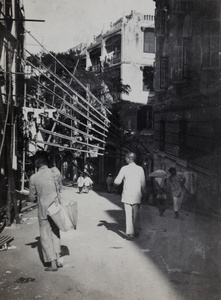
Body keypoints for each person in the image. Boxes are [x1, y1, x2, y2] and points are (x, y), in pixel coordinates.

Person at [29, 151, 63, 271]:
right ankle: (58, 258)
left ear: (37, 162)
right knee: (55, 232)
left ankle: (52, 263)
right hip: (55, 208)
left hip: (43, 210)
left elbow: (32, 198)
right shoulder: (55, 172)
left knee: (45, 236)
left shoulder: (34, 178)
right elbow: (60, 187)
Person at [114, 152, 146, 240]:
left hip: (127, 195)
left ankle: (130, 234)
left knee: (128, 215)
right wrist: (143, 193)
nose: (125, 159)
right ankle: (137, 232)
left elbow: (117, 181)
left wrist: (115, 184)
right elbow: (143, 184)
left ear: (129, 158)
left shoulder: (124, 168)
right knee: (136, 214)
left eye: (125, 158)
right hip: (137, 195)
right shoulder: (140, 169)